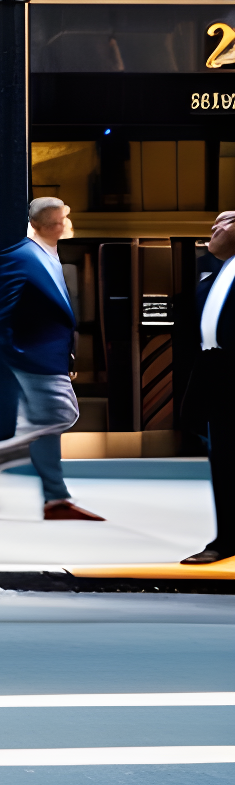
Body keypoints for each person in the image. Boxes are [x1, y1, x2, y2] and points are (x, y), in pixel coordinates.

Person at [0, 197, 103, 520]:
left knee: (50, 421)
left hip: (50, 358)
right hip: (33, 358)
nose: (68, 222)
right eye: (64, 218)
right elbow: (4, 317)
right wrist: (17, 359)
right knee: (57, 417)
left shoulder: (50, 256)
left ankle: (55, 498)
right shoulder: (21, 256)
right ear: (51, 225)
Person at [178, 210, 235, 564]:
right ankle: (227, 538)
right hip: (216, 369)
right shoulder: (216, 269)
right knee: (224, 459)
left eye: (223, 223)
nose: (213, 229)